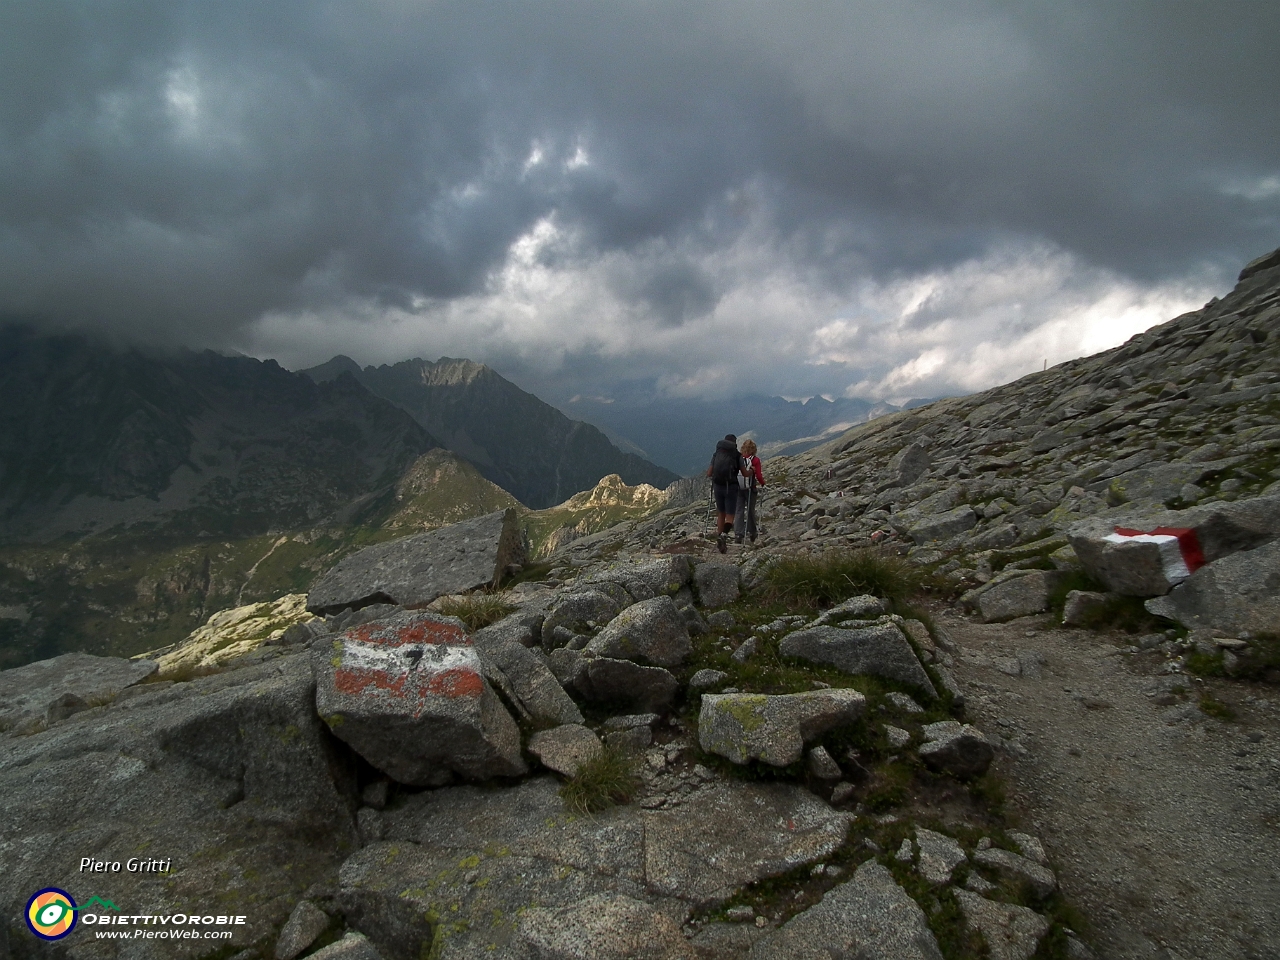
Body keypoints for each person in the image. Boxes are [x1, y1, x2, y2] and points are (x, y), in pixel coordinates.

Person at [706, 434, 744, 554]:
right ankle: (723, 535)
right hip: (731, 487)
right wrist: (752, 471)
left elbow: (709, 473)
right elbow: (745, 473)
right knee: (730, 515)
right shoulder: (737, 455)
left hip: (718, 487)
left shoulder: (716, 454)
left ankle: (719, 536)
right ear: (734, 443)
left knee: (721, 513)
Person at [734, 439, 765, 544]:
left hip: (738, 488)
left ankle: (738, 533)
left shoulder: (738, 459)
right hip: (750, 488)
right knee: (750, 510)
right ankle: (752, 532)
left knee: (739, 510)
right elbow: (759, 475)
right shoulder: (755, 460)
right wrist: (762, 483)